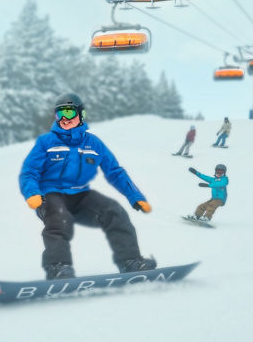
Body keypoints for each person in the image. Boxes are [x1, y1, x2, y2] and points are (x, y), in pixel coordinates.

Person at [19, 93, 156, 280]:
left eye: (69, 113)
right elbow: (29, 172)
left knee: (113, 211)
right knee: (59, 218)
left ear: (81, 114)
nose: (64, 119)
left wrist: (135, 196)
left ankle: (131, 261)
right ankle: (58, 267)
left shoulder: (93, 144)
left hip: (80, 195)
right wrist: (32, 193)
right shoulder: (46, 142)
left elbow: (115, 171)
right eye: (60, 114)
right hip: (50, 195)